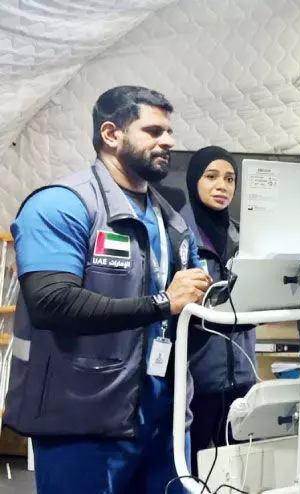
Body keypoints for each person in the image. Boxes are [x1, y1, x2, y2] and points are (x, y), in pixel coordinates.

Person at [4, 85, 212, 494]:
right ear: (111, 134)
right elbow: (52, 302)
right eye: (153, 131)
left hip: (164, 421)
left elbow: (186, 308)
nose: (168, 141)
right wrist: (163, 302)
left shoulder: (171, 219)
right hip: (82, 423)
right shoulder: (61, 205)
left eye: (169, 131)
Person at [180, 145, 257, 476]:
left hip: (242, 380)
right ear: (194, 180)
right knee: (190, 474)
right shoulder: (176, 234)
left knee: (239, 474)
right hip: (194, 382)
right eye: (211, 177)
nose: (221, 186)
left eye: (229, 179)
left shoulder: (246, 238)